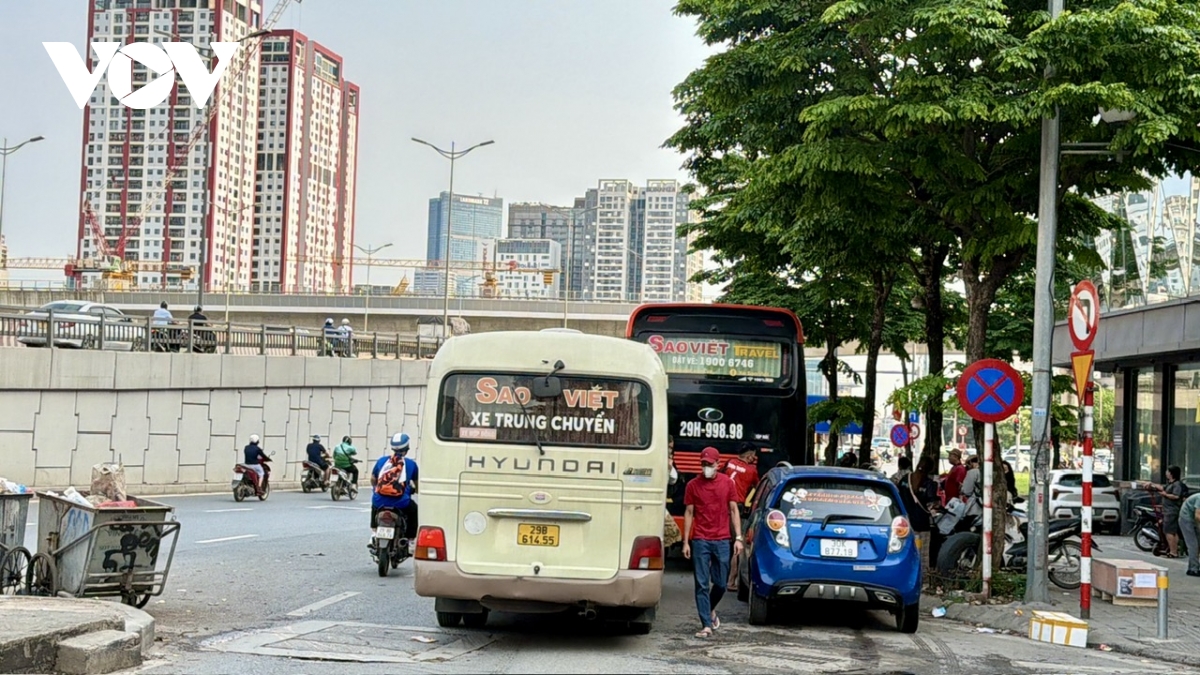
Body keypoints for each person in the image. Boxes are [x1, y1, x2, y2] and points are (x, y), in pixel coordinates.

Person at [683, 447, 743, 639]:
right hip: (700, 540)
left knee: (721, 583)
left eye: (709, 464)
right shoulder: (692, 485)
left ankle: (710, 609)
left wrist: (739, 538)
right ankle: (706, 625)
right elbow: (689, 513)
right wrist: (686, 542)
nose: (706, 467)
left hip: (722, 540)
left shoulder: (727, 483)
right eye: (703, 464)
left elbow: (734, 510)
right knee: (701, 583)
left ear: (718, 464)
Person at [370, 432, 420, 554]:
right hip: (401, 503)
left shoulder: (382, 461)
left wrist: (376, 489)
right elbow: (417, 484)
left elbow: (373, 479)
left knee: (374, 505)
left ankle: (374, 532)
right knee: (414, 510)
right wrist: (416, 491)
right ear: (407, 448)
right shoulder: (411, 464)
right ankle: (410, 540)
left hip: (379, 501)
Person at [722, 442, 759, 592]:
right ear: (750, 456)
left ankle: (716, 575)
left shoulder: (729, 462)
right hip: (736, 508)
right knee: (738, 544)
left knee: (720, 541)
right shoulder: (751, 470)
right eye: (754, 455)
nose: (755, 458)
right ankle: (731, 581)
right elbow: (758, 488)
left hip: (720, 506)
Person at [1153, 466, 1189, 558]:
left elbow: (1176, 496)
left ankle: (1173, 551)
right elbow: (1162, 487)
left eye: (1167, 471)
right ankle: (1174, 550)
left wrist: (1165, 495)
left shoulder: (1177, 484)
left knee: (1169, 531)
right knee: (1173, 531)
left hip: (1172, 511)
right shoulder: (1170, 484)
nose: (1166, 473)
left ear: (1172, 473)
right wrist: (1151, 484)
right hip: (1168, 510)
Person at [1178, 491, 1200, 577]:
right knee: (1193, 544)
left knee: (1198, 544)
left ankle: (1194, 566)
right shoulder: (1199, 498)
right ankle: (1193, 569)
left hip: (1194, 520)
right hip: (1186, 519)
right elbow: (1197, 515)